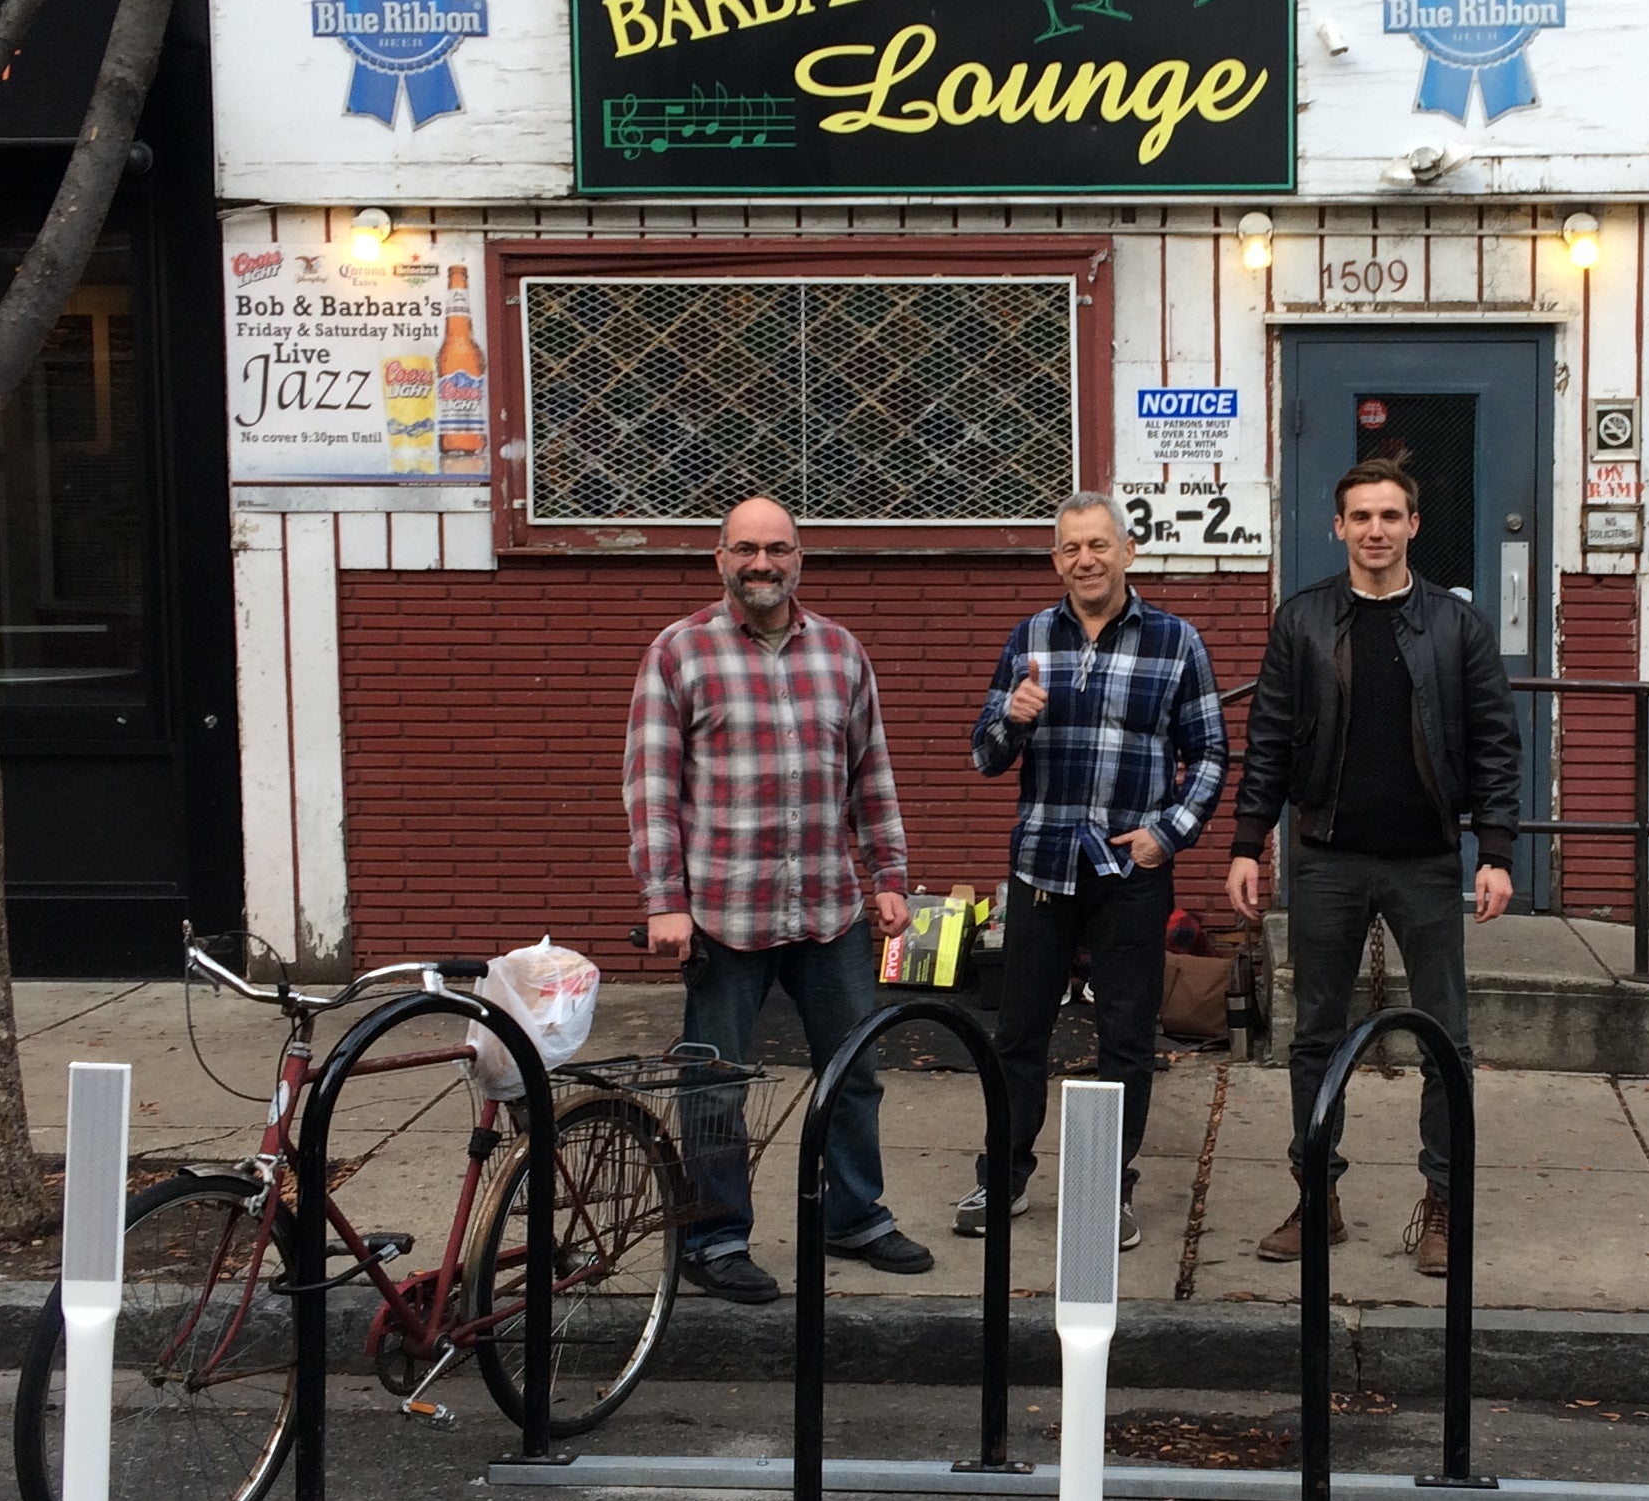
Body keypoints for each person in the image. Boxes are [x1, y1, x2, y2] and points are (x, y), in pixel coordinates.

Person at [624, 496, 933, 1301]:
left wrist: (889, 875)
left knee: (856, 1070)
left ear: (801, 559)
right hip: (725, 913)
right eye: (746, 550)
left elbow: (872, 773)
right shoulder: (678, 653)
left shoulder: (840, 651)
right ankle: (715, 1237)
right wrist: (665, 900)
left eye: (778, 550)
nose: (762, 564)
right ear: (718, 559)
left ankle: (855, 1216)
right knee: (716, 1084)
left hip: (827, 909)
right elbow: (652, 789)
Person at [1225, 454, 1520, 1276]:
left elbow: (1497, 743)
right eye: (1362, 517)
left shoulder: (1459, 627)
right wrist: (1248, 843)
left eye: (1391, 516)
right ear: (1338, 527)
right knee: (1315, 1037)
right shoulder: (1304, 620)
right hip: (1327, 856)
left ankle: (1443, 1204)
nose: (1376, 531)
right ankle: (1315, 1195)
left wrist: (1493, 851)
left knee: (1444, 1041)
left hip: (1426, 859)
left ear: (1413, 526)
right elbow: (1271, 738)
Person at [962, 492, 1229, 1251]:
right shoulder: (1029, 638)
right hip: (1042, 864)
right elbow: (985, 756)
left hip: (1129, 872)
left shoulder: (1176, 641)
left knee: (1125, 1039)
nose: (1086, 559)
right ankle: (1003, 1177)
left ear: (1128, 551)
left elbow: (1209, 753)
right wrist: (1011, 717)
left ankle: (1104, 1189)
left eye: (1099, 545)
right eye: (1072, 547)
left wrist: (1167, 834)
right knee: (1019, 1034)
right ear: (1057, 560)